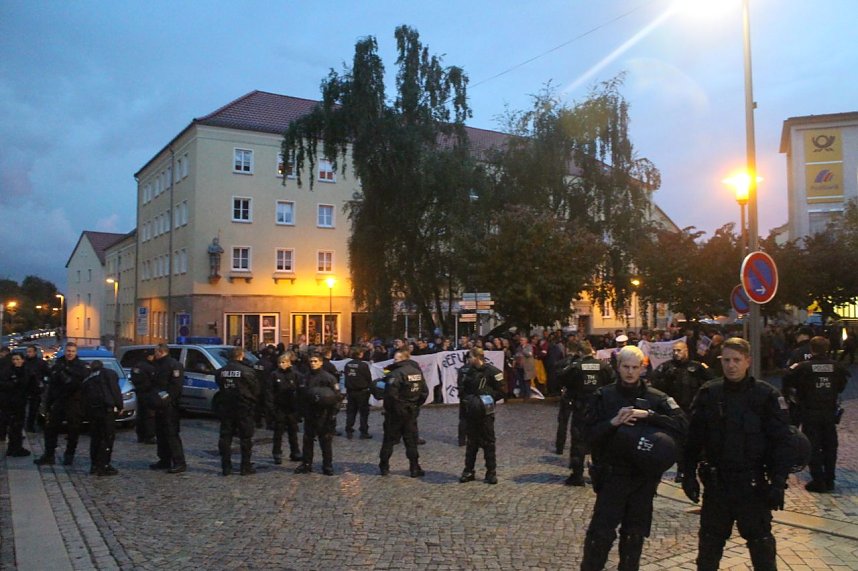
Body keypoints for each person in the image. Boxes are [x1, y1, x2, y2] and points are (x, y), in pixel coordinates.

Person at [683, 337, 792, 571]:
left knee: (762, 549)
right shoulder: (709, 393)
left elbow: (781, 443)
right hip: (717, 486)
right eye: (726, 360)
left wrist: (779, 482)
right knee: (709, 551)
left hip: (752, 486)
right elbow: (693, 438)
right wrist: (687, 473)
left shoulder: (766, 396)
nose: (731, 365)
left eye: (736, 360)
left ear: (748, 361)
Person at [581, 345, 687, 571]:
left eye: (634, 367)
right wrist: (613, 423)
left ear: (642, 368)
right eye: (625, 366)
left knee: (633, 536)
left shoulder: (657, 398)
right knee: (599, 537)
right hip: (612, 476)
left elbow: (683, 425)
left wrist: (650, 416)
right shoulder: (603, 396)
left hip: (643, 478)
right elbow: (586, 435)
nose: (630, 372)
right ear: (618, 367)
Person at [784, 336, 849, 492]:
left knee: (813, 446)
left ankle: (818, 480)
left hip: (810, 412)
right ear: (827, 349)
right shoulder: (837, 367)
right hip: (829, 413)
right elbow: (841, 386)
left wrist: (793, 396)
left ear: (811, 349)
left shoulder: (803, 367)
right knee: (830, 446)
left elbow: (787, 377)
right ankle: (830, 479)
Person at [650, 340, 714, 482]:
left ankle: (697, 467)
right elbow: (654, 383)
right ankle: (681, 470)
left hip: (693, 410)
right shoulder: (667, 367)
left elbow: (711, 381)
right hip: (674, 412)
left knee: (694, 441)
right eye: (674, 351)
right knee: (677, 441)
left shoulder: (697, 367)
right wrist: (666, 378)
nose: (676, 353)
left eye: (679, 350)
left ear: (686, 351)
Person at [559, 341, 615, 486]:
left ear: (580, 352)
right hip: (599, 409)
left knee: (578, 442)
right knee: (599, 441)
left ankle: (577, 475)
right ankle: (599, 473)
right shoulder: (604, 366)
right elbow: (613, 383)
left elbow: (562, 378)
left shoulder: (576, 367)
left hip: (581, 408)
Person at [35, 342, 90, 466]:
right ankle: (49, 455)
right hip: (58, 401)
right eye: (68, 351)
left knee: (73, 430)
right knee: (50, 429)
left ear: (76, 353)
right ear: (65, 351)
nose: (70, 353)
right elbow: (51, 385)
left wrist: (66, 372)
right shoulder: (58, 364)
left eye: (72, 351)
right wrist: (47, 404)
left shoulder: (81, 366)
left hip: (74, 402)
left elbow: (80, 383)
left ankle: (69, 455)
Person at [458, 347, 506, 485]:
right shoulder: (466, 371)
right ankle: (468, 470)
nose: (469, 360)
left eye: (470, 357)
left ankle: (491, 472)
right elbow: (461, 389)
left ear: (477, 357)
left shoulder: (492, 371)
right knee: (471, 443)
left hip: (486, 412)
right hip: (471, 411)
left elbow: (502, 390)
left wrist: (488, 399)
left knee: (489, 442)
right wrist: (469, 400)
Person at [379, 349, 429, 477]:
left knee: (389, 440)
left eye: (396, 359)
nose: (394, 361)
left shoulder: (395, 373)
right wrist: (416, 405)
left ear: (403, 359)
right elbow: (424, 392)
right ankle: (414, 467)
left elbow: (390, 395)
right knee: (411, 441)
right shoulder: (417, 372)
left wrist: (392, 409)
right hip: (411, 411)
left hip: (396, 413)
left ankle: (384, 466)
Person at [215, 347, 259, 475]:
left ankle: (226, 467)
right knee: (245, 437)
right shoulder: (248, 371)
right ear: (241, 356)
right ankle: (245, 467)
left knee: (225, 436)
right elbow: (255, 389)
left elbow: (220, 385)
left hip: (226, 406)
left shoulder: (220, 372)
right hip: (243, 407)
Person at [294, 354, 340, 475]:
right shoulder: (305, 377)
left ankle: (327, 465)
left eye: (315, 361)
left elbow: (337, 397)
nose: (312, 363)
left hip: (324, 414)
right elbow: (300, 395)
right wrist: (300, 412)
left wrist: (333, 413)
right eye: (311, 361)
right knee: (307, 440)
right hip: (309, 412)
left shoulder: (328, 378)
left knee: (325, 440)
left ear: (320, 362)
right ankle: (306, 464)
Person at [150, 343, 187, 474]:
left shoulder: (173, 365)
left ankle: (179, 462)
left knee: (171, 434)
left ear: (161, 351)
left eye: (155, 351)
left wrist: (165, 399)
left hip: (170, 406)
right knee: (160, 433)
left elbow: (176, 387)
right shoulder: (157, 364)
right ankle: (164, 460)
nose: (154, 354)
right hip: (158, 404)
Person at [82, 360, 122, 476]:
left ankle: (94, 465)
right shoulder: (109, 374)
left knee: (95, 438)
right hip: (106, 411)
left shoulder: (87, 379)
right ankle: (104, 465)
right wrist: (119, 406)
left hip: (93, 412)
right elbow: (115, 390)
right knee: (107, 438)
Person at [1, 352, 39, 456]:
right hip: (9, 402)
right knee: (13, 426)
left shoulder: (27, 371)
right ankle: (14, 448)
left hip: (21, 402)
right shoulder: (8, 371)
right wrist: (13, 384)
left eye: (18, 359)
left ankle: (16, 447)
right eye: (14, 359)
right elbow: (3, 384)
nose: (16, 361)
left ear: (22, 360)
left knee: (17, 426)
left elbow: (33, 386)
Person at [268, 352, 303, 464]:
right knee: (278, 432)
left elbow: (300, 391)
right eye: (279, 362)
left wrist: (299, 409)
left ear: (289, 363)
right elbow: (269, 392)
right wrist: (271, 409)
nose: (281, 364)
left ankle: (295, 452)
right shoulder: (274, 375)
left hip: (292, 408)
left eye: (283, 362)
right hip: (279, 408)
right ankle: (277, 453)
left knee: (293, 431)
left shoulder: (295, 375)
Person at [343, 346, 373, 439]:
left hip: (351, 391)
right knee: (363, 413)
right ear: (360, 354)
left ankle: (349, 429)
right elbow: (368, 378)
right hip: (362, 392)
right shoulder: (363, 365)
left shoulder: (347, 364)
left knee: (351, 412)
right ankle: (364, 432)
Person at [129, 349, 157, 444]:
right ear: (149, 356)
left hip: (139, 393)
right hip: (148, 393)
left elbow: (133, 379)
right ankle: (149, 436)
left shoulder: (136, 366)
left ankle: (140, 436)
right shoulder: (149, 367)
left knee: (140, 415)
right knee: (149, 415)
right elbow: (154, 381)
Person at [23, 345, 49, 432]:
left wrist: (42, 383)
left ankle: (31, 425)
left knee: (34, 409)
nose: (28, 353)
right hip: (25, 389)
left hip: (36, 390)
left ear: (35, 352)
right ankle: (26, 425)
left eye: (30, 351)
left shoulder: (40, 363)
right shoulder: (24, 362)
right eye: (27, 351)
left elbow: (47, 374)